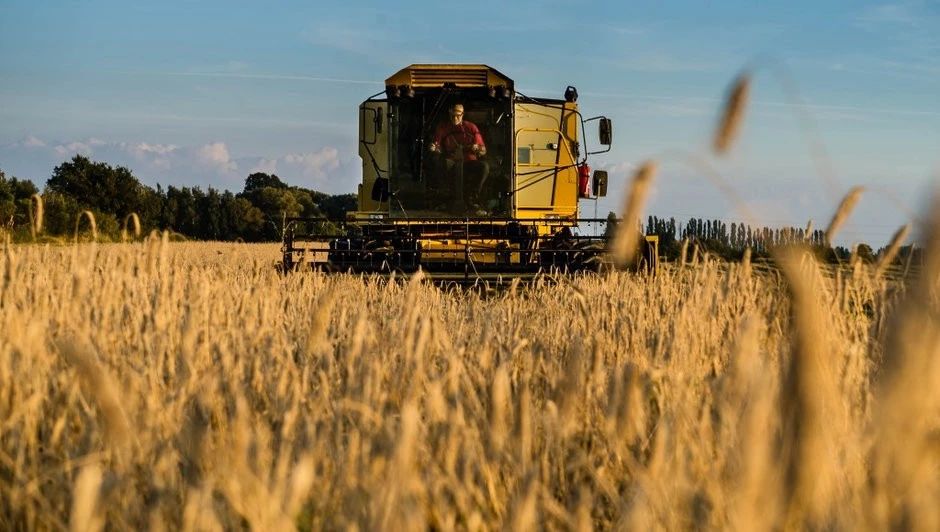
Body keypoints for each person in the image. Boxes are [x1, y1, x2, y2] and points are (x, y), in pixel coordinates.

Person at [428, 103, 489, 209]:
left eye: (458, 115)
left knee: (484, 167)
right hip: (450, 160)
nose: (455, 118)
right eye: (452, 115)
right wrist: (434, 148)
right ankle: (444, 195)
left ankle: (472, 196)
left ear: (463, 114)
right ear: (449, 114)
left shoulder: (471, 127)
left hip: (469, 161)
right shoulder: (442, 127)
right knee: (439, 163)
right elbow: (437, 146)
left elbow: (483, 150)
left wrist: (478, 149)